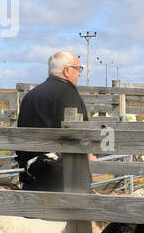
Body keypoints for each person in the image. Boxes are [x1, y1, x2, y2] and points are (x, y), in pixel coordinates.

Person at [16, 51, 89, 192]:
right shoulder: (69, 93)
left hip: (32, 175)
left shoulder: (30, 96)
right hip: (63, 180)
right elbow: (79, 134)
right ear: (67, 70)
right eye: (78, 69)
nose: (79, 74)